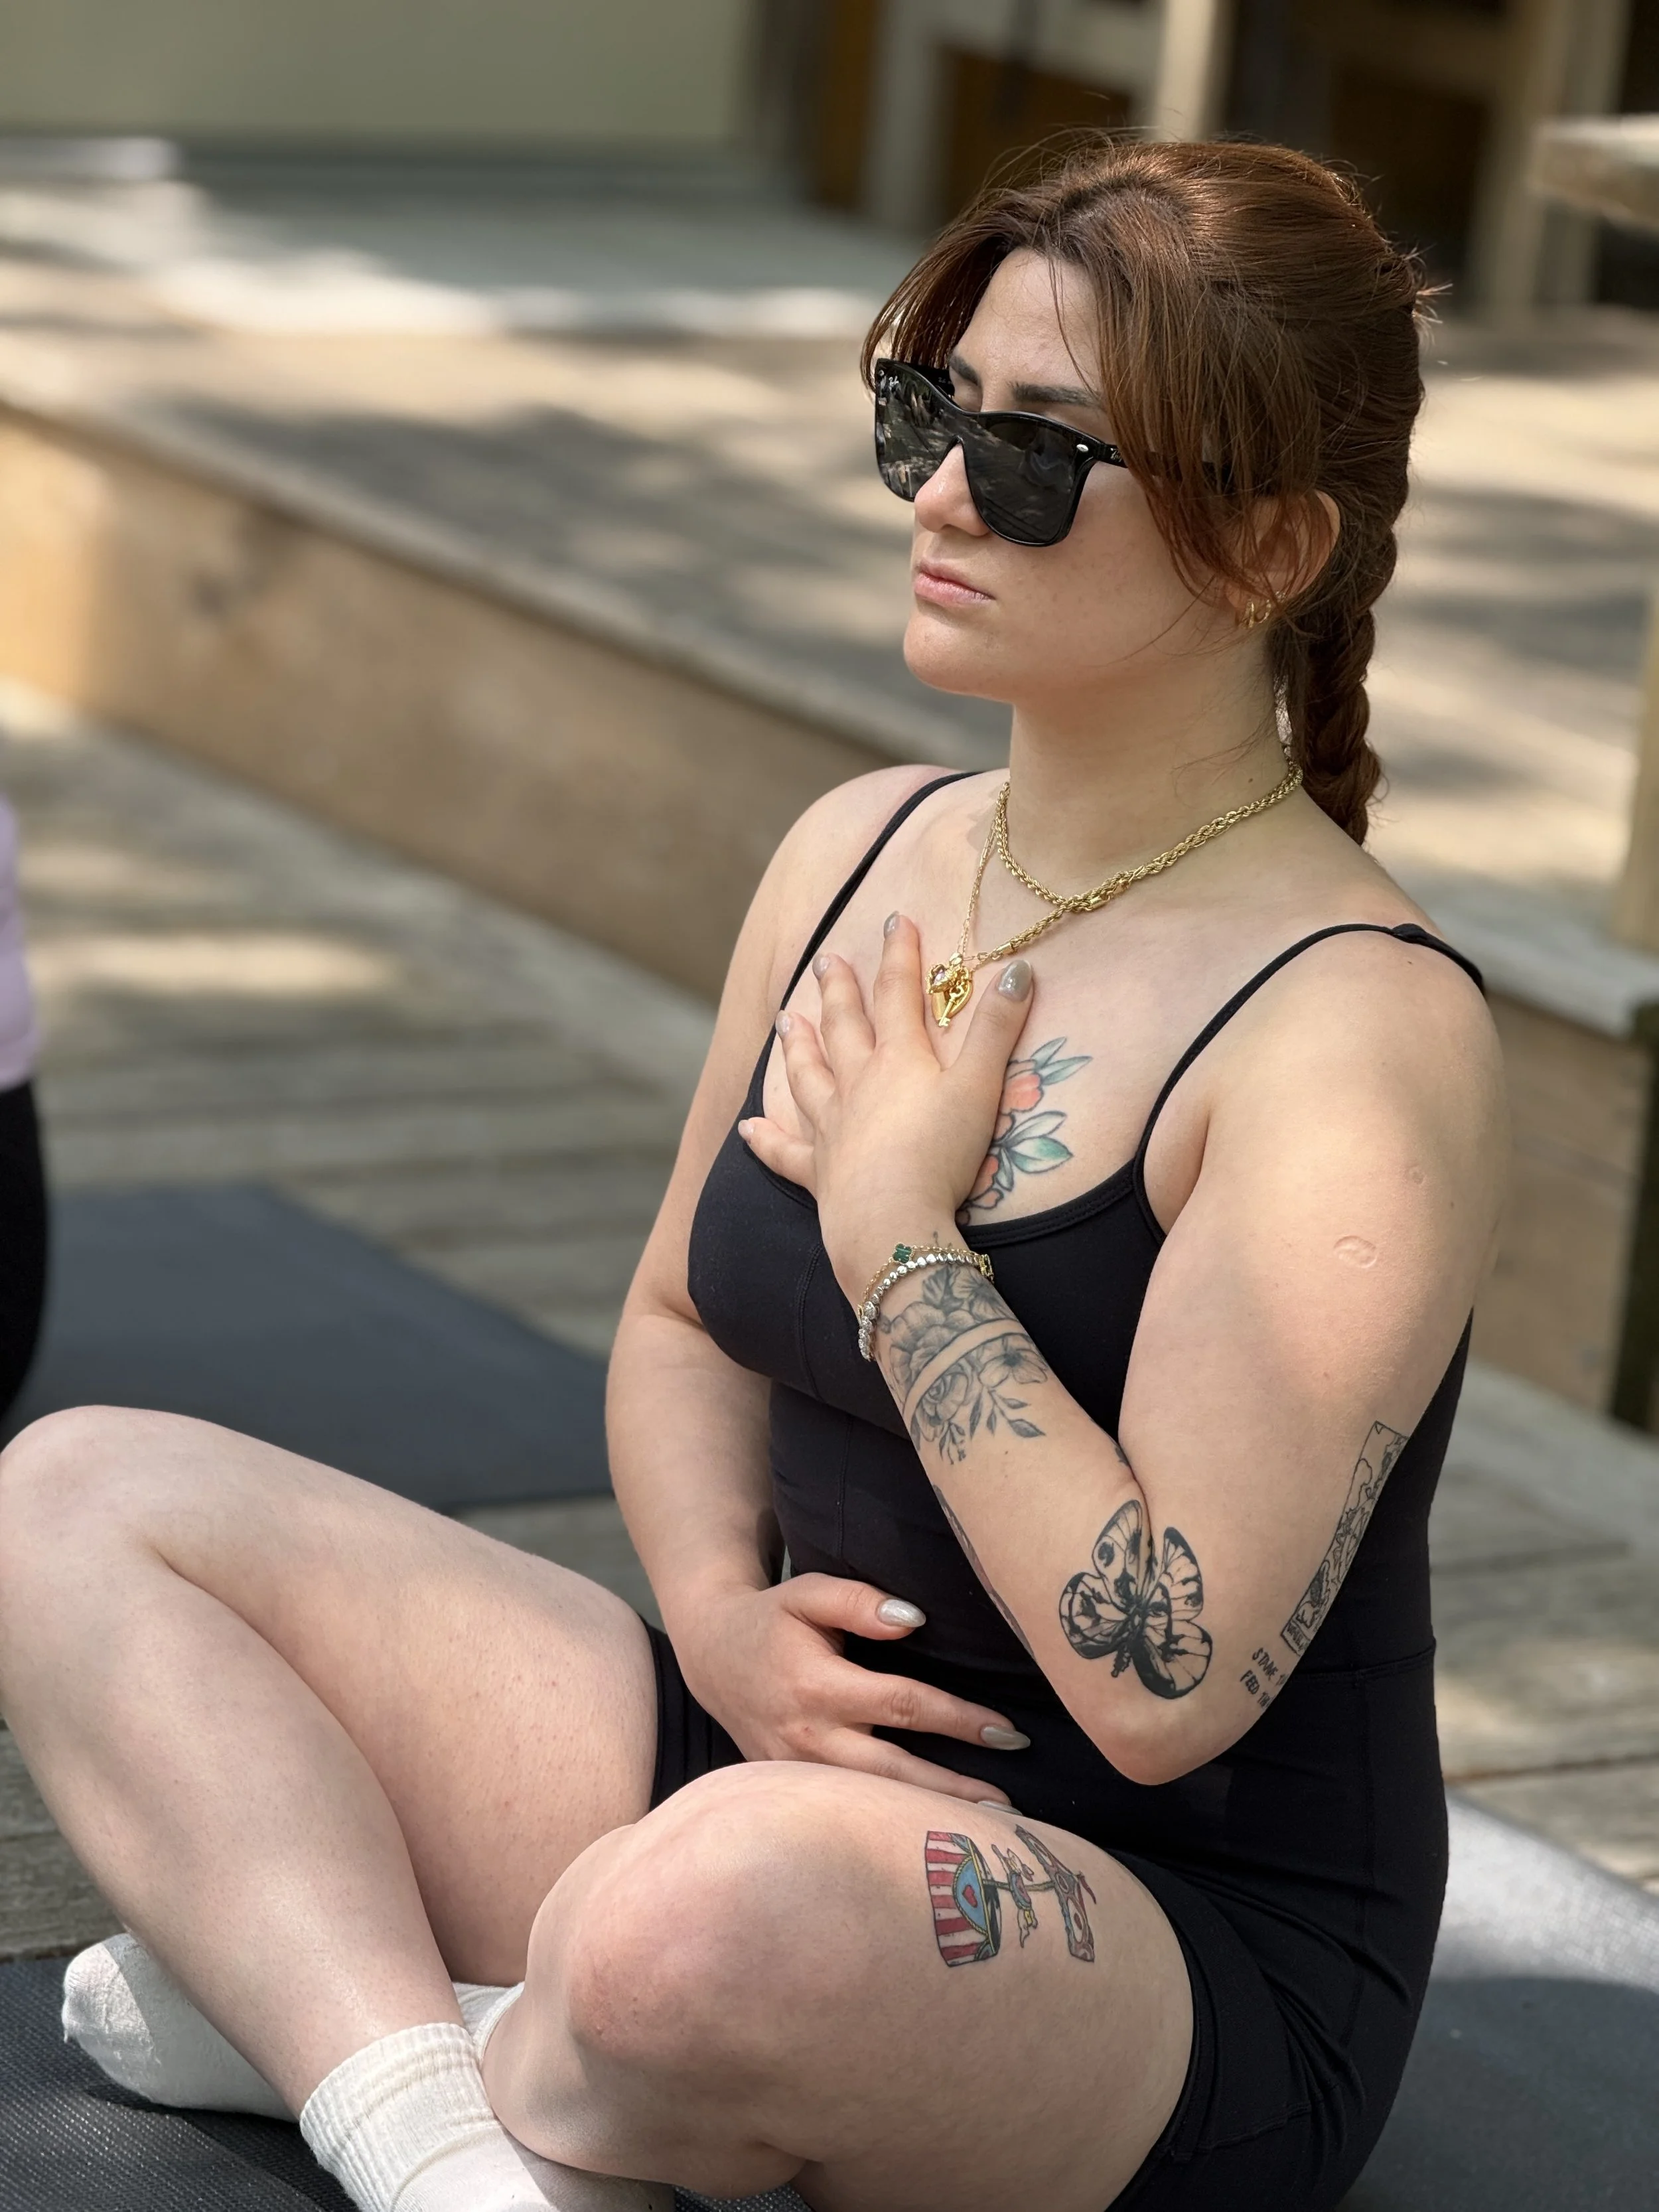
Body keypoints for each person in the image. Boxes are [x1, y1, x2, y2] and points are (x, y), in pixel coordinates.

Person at [0, 137, 1504, 2212]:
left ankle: (369, 2008)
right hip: (762, 1759)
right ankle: (447, 2125)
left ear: (1265, 543)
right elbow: (676, 1321)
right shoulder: (857, 850)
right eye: (928, 415)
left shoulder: (1355, 1029)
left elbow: (1162, 1680)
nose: (943, 493)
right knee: (73, 1499)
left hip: (1152, 1939)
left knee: (695, 1923)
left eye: (1039, 456)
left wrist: (894, 1227)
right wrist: (714, 1620)